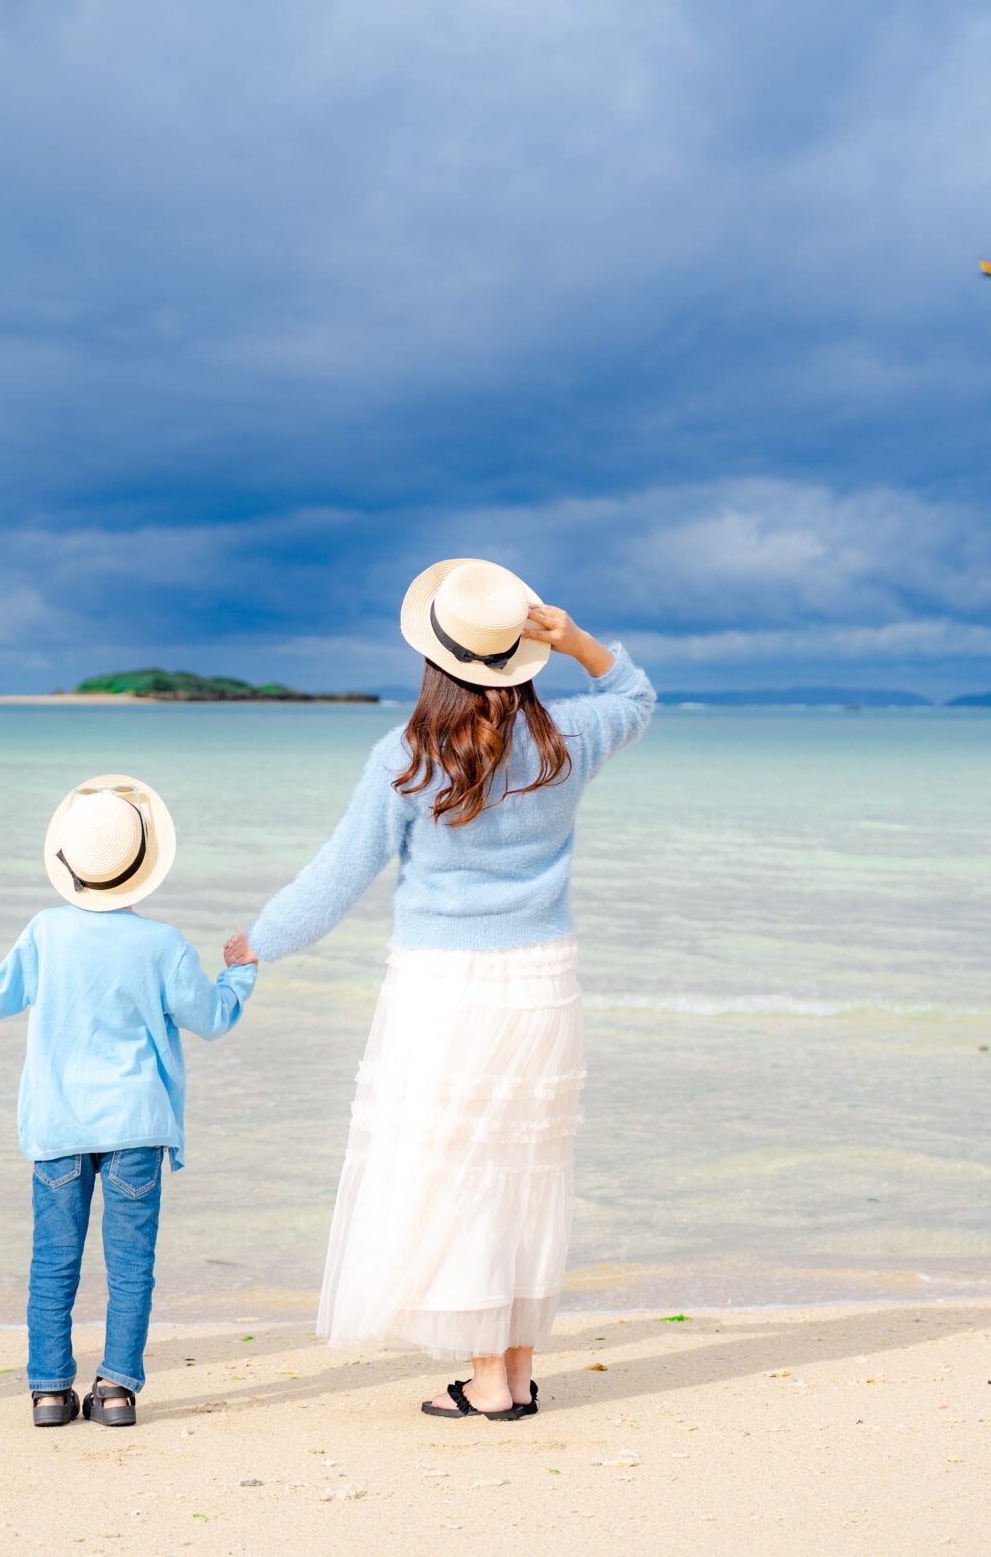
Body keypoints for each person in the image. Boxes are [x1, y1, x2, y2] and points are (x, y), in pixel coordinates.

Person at [238, 557, 653, 1421]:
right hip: (541, 984)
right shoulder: (566, 739)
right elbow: (638, 697)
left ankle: (487, 1379)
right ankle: (519, 1370)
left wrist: (259, 940)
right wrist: (575, 639)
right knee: (527, 1171)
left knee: (463, 1173)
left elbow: (337, 877)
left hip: (440, 992)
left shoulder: (407, 755)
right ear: (518, 656)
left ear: (436, 659)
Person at [0, 774, 254, 1429]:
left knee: (53, 1262)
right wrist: (241, 969)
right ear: (143, 864)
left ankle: (51, 1392)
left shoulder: (47, 932)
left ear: (70, 864)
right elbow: (215, 1016)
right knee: (131, 1266)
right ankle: (116, 1390)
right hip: (136, 1127)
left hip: (59, 1125)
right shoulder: (163, 944)